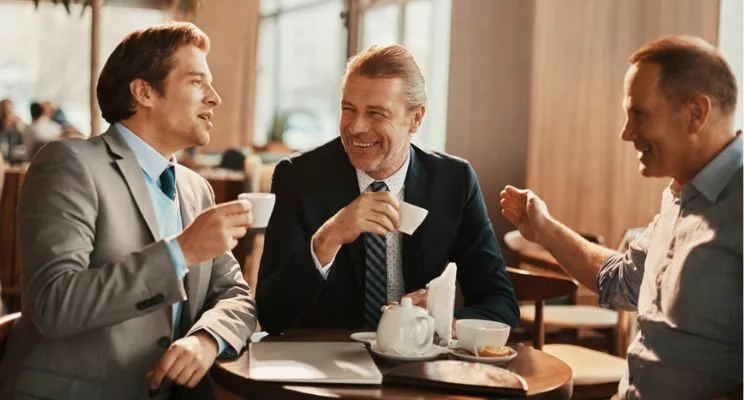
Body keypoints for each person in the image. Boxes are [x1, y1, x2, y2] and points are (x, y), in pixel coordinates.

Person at [0, 22, 257, 400]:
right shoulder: (69, 164)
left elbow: (236, 295)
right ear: (144, 92)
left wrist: (207, 339)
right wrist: (181, 252)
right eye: (197, 82)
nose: (215, 97)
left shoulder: (196, 188)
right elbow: (53, 303)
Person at [500, 35, 742, 399]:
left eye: (639, 114)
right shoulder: (679, 197)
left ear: (696, 113)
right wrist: (545, 230)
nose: (626, 133)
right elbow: (621, 281)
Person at [256, 44, 518, 334]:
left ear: (415, 119)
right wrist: (327, 239)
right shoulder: (298, 177)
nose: (355, 127)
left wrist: (444, 321)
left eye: (376, 114)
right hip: (328, 361)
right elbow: (271, 315)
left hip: (420, 361)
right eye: (348, 109)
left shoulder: (454, 181)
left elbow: (501, 304)